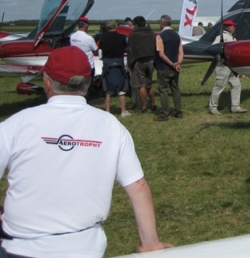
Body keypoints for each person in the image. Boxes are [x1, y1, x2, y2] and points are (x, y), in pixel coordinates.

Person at [0, 46, 172, 257]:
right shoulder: (110, 125)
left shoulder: (16, 124)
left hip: (19, 247)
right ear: (89, 82)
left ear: (47, 82)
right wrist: (150, 244)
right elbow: (137, 185)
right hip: (85, 248)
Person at [208, 19, 246, 115]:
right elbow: (212, 49)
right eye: (233, 26)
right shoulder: (221, 37)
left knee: (236, 85)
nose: (235, 28)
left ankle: (235, 107)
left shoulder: (232, 38)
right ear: (228, 27)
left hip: (231, 67)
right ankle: (212, 107)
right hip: (222, 66)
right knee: (219, 86)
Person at [154, 15, 184, 121]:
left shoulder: (160, 36)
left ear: (162, 23)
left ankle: (164, 114)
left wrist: (171, 64)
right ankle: (179, 112)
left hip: (164, 67)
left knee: (164, 90)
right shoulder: (177, 36)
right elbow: (181, 52)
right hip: (176, 68)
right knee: (175, 89)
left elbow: (161, 54)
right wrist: (178, 63)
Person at [99, 19, 130, 117]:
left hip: (107, 63)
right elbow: (126, 48)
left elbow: (100, 51)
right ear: (116, 27)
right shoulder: (122, 37)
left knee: (107, 89)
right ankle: (123, 111)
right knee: (121, 89)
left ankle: (107, 111)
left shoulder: (102, 38)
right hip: (119, 63)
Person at [127, 16, 157, 113]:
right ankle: (153, 103)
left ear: (135, 25)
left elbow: (130, 51)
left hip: (139, 61)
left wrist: (129, 64)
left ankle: (144, 107)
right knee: (149, 84)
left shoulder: (132, 35)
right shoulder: (152, 33)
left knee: (141, 85)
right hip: (151, 60)